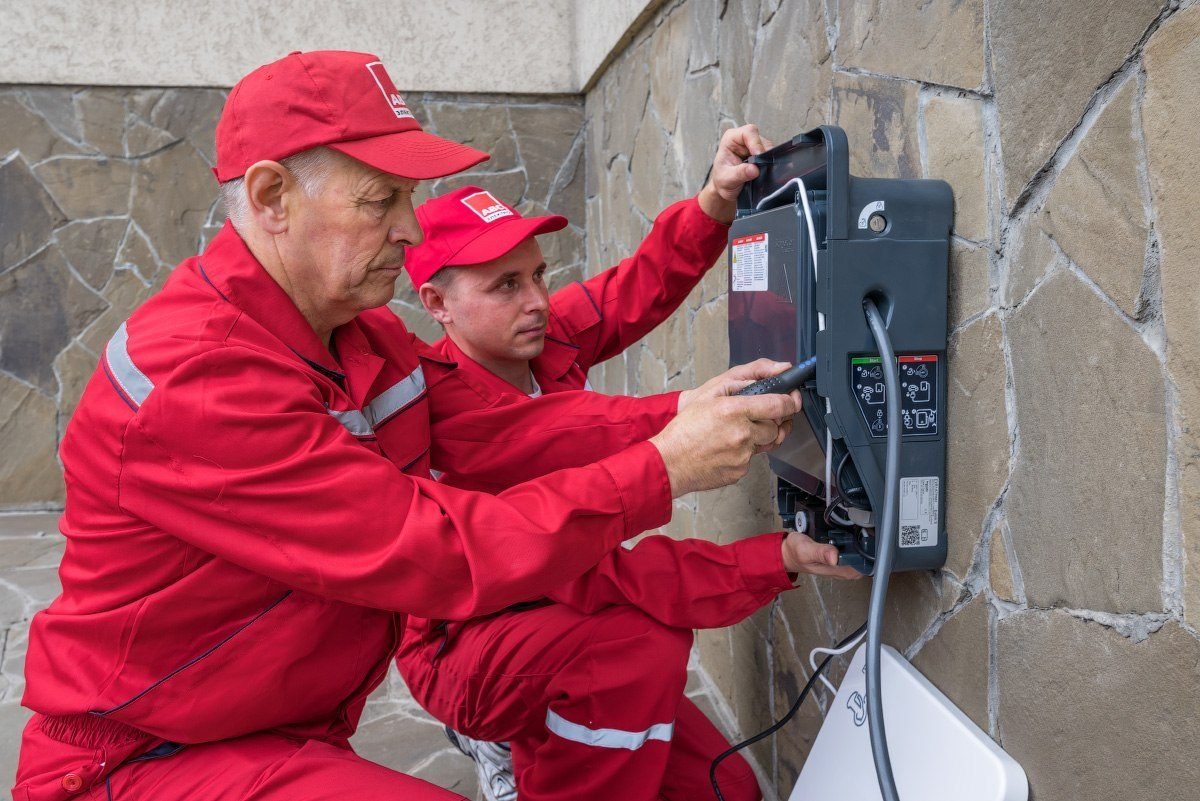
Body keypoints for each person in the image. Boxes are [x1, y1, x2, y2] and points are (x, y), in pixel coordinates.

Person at [12, 50, 802, 801]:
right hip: (142, 761)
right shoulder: (199, 375)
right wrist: (667, 464)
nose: (412, 230)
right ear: (271, 196)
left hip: (266, 731)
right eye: (380, 199)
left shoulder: (362, 338)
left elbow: (506, 432)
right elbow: (432, 546)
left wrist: (684, 418)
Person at [395, 130, 861, 801]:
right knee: (636, 647)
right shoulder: (445, 407)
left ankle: (535, 731)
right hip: (465, 645)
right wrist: (692, 423)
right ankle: (504, 737)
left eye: (537, 275)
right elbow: (586, 467)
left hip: (561, 608)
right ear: (437, 305)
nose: (536, 300)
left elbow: (632, 288)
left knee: (727, 789)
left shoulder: (539, 339)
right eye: (505, 285)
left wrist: (713, 203)